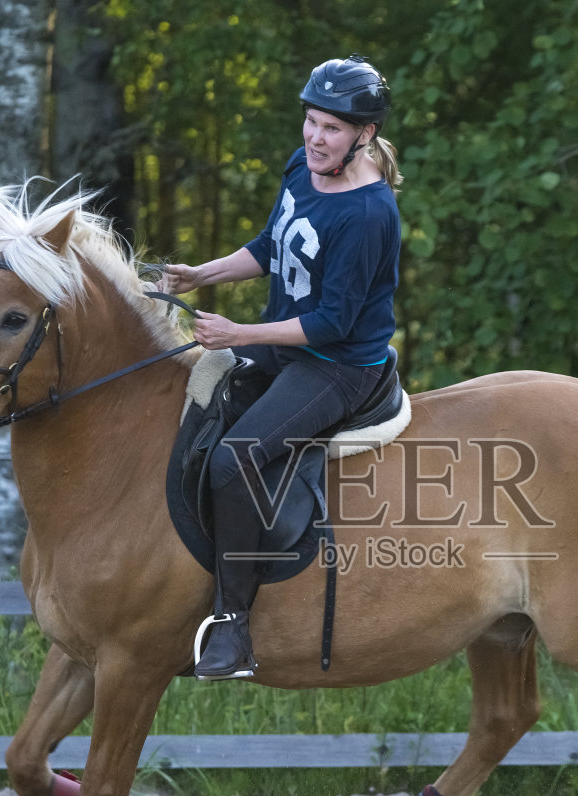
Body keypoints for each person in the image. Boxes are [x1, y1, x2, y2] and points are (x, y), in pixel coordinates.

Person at [163, 54, 403, 680]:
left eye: (331, 128)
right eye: (311, 121)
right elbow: (273, 245)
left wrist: (239, 332)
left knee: (235, 456)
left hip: (336, 366)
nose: (315, 137)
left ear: (365, 135)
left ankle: (234, 627)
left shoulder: (370, 213)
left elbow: (333, 323)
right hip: (283, 346)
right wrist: (203, 274)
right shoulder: (303, 167)